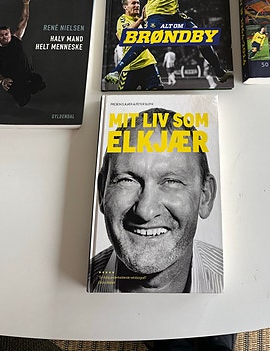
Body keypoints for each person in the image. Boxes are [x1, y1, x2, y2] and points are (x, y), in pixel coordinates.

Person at [88, 107, 223, 293]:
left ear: (205, 196)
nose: (145, 211)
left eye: (171, 181)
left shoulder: (243, 286)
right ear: (102, 191)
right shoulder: (71, 290)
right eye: (127, 180)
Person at [104, 0, 233, 85]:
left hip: (174, 15)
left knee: (202, 38)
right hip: (156, 13)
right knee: (147, 39)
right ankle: (116, 71)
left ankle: (220, 73)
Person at [0, 0, 46, 107]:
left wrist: (26, 4)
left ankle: (31, 88)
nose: (4, 37)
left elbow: (24, 20)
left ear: (10, 34)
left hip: (27, 76)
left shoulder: (16, 38)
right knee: (23, 101)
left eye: (6, 34)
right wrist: (2, 81)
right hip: (14, 82)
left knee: (39, 81)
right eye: (1, 35)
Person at [106, 0, 164, 91]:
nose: (137, 5)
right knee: (123, 97)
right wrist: (141, 19)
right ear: (125, 7)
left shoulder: (142, 20)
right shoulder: (123, 19)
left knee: (156, 93)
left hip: (148, 63)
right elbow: (124, 35)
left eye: (138, 3)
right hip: (131, 67)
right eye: (133, 3)